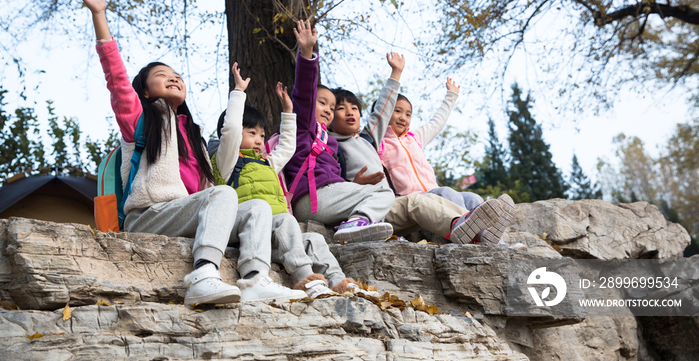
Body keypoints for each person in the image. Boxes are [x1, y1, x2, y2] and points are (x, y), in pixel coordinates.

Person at [74, 0, 302, 307]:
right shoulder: (142, 119)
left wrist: (238, 95)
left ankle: (255, 279)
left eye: (177, 75)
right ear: (145, 91)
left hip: (184, 214)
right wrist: (99, 15)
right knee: (223, 194)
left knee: (257, 207)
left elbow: (220, 166)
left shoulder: (193, 135)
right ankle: (204, 274)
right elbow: (117, 79)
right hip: (149, 215)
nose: (173, 77)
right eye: (161, 75)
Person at [208, 63, 373, 297]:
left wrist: (288, 111)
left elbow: (287, 146)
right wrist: (238, 93)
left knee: (313, 239)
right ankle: (306, 279)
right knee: (286, 221)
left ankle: (340, 283)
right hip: (247, 230)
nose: (259, 139)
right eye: (252, 133)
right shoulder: (227, 163)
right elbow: (231, 131)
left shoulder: (267, 163)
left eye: (262, 135)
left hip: (275, 235)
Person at [329, 52, 514, 245]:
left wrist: (451, 96)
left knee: (473, 197)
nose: (402, 117)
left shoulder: (413, 139)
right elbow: (381, 112)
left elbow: (436, 123)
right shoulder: (377, 142)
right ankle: (471, 235)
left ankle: (498, 242)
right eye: (397, 111)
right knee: (448, 193)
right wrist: (396, 74)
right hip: (412, 198)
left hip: (433, 192)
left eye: (407, 113)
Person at [284, 20, 395, 243]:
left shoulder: (329, 143)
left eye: (332, 107)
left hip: (329, 196)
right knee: (384, 193)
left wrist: (354, 185)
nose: (328, 109)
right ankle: (358, 221)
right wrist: (307, 53)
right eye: (322, 103)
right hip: (313, 198)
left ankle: (360, 225)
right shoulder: (304, 128)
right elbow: (304, 94)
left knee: (382, 194)